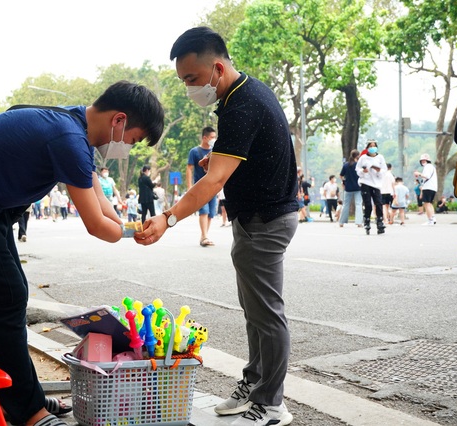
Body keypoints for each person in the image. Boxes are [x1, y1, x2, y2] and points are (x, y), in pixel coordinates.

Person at [0, 81, 164, 426]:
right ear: (119, 120)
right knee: (0, 299)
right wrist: (132, 234)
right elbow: (96, 225)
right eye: (134, 140)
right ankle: (28, 412)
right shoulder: (68, 139)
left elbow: (99, 198)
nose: (128, 147)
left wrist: (126, 225)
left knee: (9, 297)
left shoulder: (73, 125)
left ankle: (21, 397)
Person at [135, 27, 298, 426]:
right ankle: (255, 384)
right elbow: (253, 150)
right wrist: (221, 158)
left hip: (267, 218)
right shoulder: (242, 94)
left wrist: (168, 218)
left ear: (217, 68)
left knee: (267, 313)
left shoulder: (242, 103)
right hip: (255, 215)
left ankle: (272, 403)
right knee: (255, 310)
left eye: (191, 79)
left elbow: (212, 183)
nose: (189, 88)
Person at [187, 126, 219, 246]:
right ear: (204, 138)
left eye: (215, 137)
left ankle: (204, 235)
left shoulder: (215, 151)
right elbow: (189, 169)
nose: (213, 139)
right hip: (200, 186)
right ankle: (204, 236)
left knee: (211, 213)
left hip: (214, 186)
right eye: (212, 137)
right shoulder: (194, 152)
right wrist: (190, 186)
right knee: (204, 210)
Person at [355, 140, 387, 234]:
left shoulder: (380, 157)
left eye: (374, 146)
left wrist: (378, 170)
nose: (372, 148)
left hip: (376, 183)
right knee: (368, 203)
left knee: (378, 203)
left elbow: (384, 170)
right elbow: (357, 169)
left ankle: (380, 221)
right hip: (365, 182)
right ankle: (367, 220)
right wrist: (362, 171)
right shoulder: (363, 158)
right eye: (371, 146)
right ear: (367, 148)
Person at [339, 149, 362, 228]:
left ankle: (341, 222)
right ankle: (359, 222)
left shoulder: (346, 165)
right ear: (357, 156)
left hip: (348, 188)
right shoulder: (358, 165)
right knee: (358, 204)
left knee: (346, 205)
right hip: (358, 187)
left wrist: (344, 182)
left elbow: (341, 175)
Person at [414, 153, 438, 226]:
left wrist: (419, 174)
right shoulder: (431, 167)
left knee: (426, 204)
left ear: (428, 160)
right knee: (429, 204)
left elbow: (426, 176)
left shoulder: (428, 167)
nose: (423, 161)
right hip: (432, 187)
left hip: (428, 187)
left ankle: (430, 220)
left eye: (424, 160)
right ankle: (433, 218)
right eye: (422, 160)